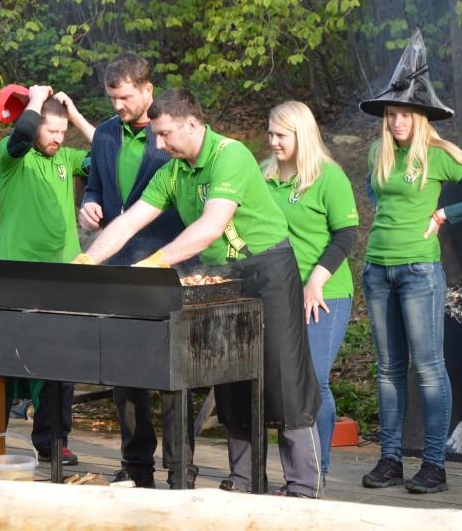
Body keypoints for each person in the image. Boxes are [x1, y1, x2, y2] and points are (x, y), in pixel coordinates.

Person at [74, 89, 322, 497]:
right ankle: (245, 483)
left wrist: (154, 264)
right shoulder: (174, 171)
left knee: (284, 380)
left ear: (192, 124)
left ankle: (304, 488)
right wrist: (88, 260)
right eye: (155, 135)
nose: (158, 144)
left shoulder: (231, 155)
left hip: (268, 271)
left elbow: (210, 226)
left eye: (165, 134)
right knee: (230, 378)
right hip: (222, 275)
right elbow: (128, 221)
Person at [358, 30, 462, 494]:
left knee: (427, 367)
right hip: (377, 270)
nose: (397, 120)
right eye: (392, 113)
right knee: (386, 369)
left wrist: (444, 213)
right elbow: (373, 193)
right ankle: (388, 460)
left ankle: (434, 465)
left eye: (404, 113)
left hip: (420, 271)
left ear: (421, 117)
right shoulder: (378, 152)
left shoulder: (439, 156)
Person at [79, 53, 197, 490]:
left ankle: (181, 470)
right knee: (124, 373)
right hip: (116, 266)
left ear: (148, 90)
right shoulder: (106, 135)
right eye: (111, 98)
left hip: (168, 265)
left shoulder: (171, 136)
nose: (116, 107)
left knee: (171, 374)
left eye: (124, 97)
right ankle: (136, 467)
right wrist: (90, 202)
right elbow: (96, 184)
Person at [0, 83, 94, 465]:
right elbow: (19, 135)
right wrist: (34, 101)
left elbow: (108, 152)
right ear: (34, 125)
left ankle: (52, 441)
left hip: (62, 277)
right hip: (13, 275)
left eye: (62, 131)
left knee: (60, 362)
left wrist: (75, 113)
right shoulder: (11, 157)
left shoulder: (66, 159)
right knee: (0, 361)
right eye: (50, 131)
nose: (57, 138)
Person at [262, 100, 358, 487]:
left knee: (313, 380)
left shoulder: (328, 177)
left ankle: (317, 470)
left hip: (325, 292)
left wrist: (315, 280)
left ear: (302, 136)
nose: (272, 141)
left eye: (281, 135)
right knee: (287, 382)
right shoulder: (262, 176)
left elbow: (346, 234)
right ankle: (297, 472)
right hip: (278, 294)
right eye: (270, 133)